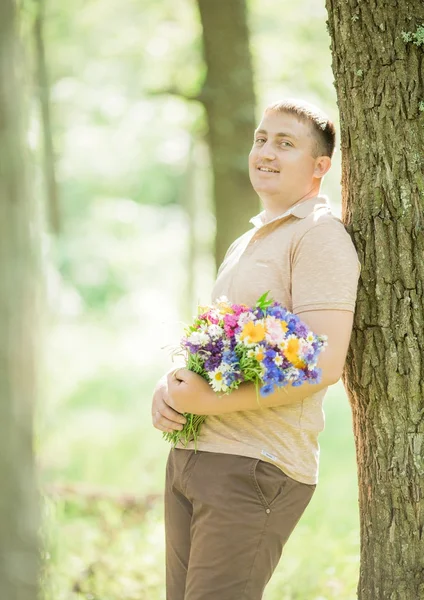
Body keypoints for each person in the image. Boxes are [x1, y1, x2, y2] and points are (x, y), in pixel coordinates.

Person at [151, 99, 361, 600]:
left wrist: (205, 400)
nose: (265, 152)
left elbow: (325, 364)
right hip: (193, 455)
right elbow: (214, 343)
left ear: (319, 167)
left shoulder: (319, 238)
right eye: (261, 139)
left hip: (255, 467)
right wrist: (171, 385)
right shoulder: (247, 242)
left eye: (285, 143)